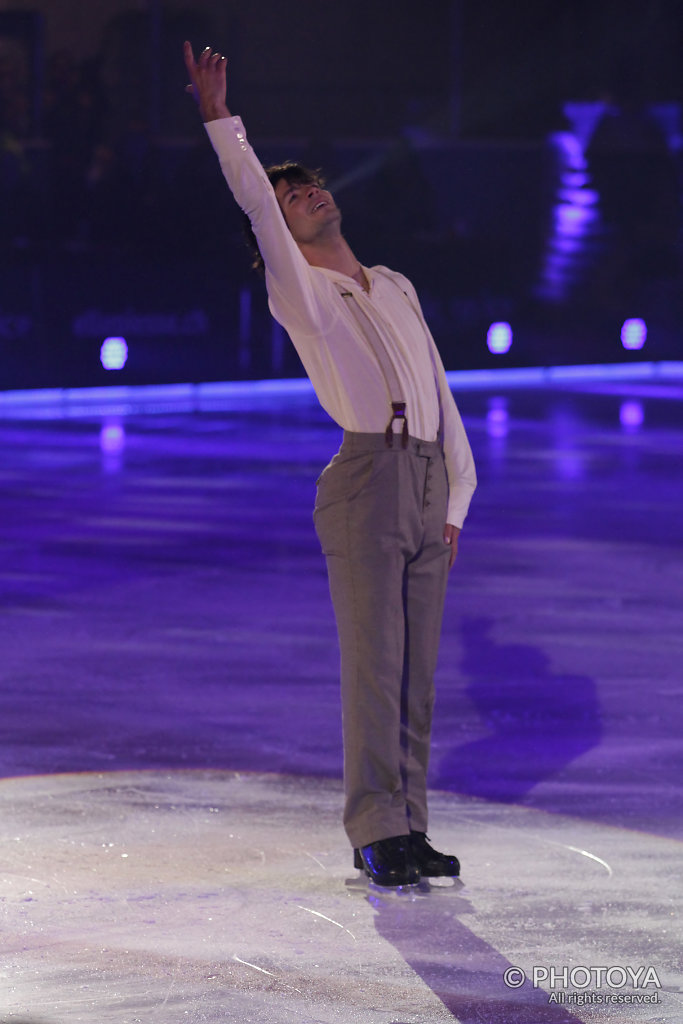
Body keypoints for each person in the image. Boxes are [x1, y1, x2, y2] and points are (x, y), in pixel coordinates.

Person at [183, 42, 477, 887]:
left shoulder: (393, 283)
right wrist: (220, 121)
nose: (306, 194)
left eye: (309, 183)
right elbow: (256, 207)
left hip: (424, 482)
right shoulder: (301, 294)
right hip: (365, 482)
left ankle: (410, 825)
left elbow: (440, 391)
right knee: (374, 664)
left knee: (416, 670)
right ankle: (374, 829)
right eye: (288, 197)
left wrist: (456, 495)